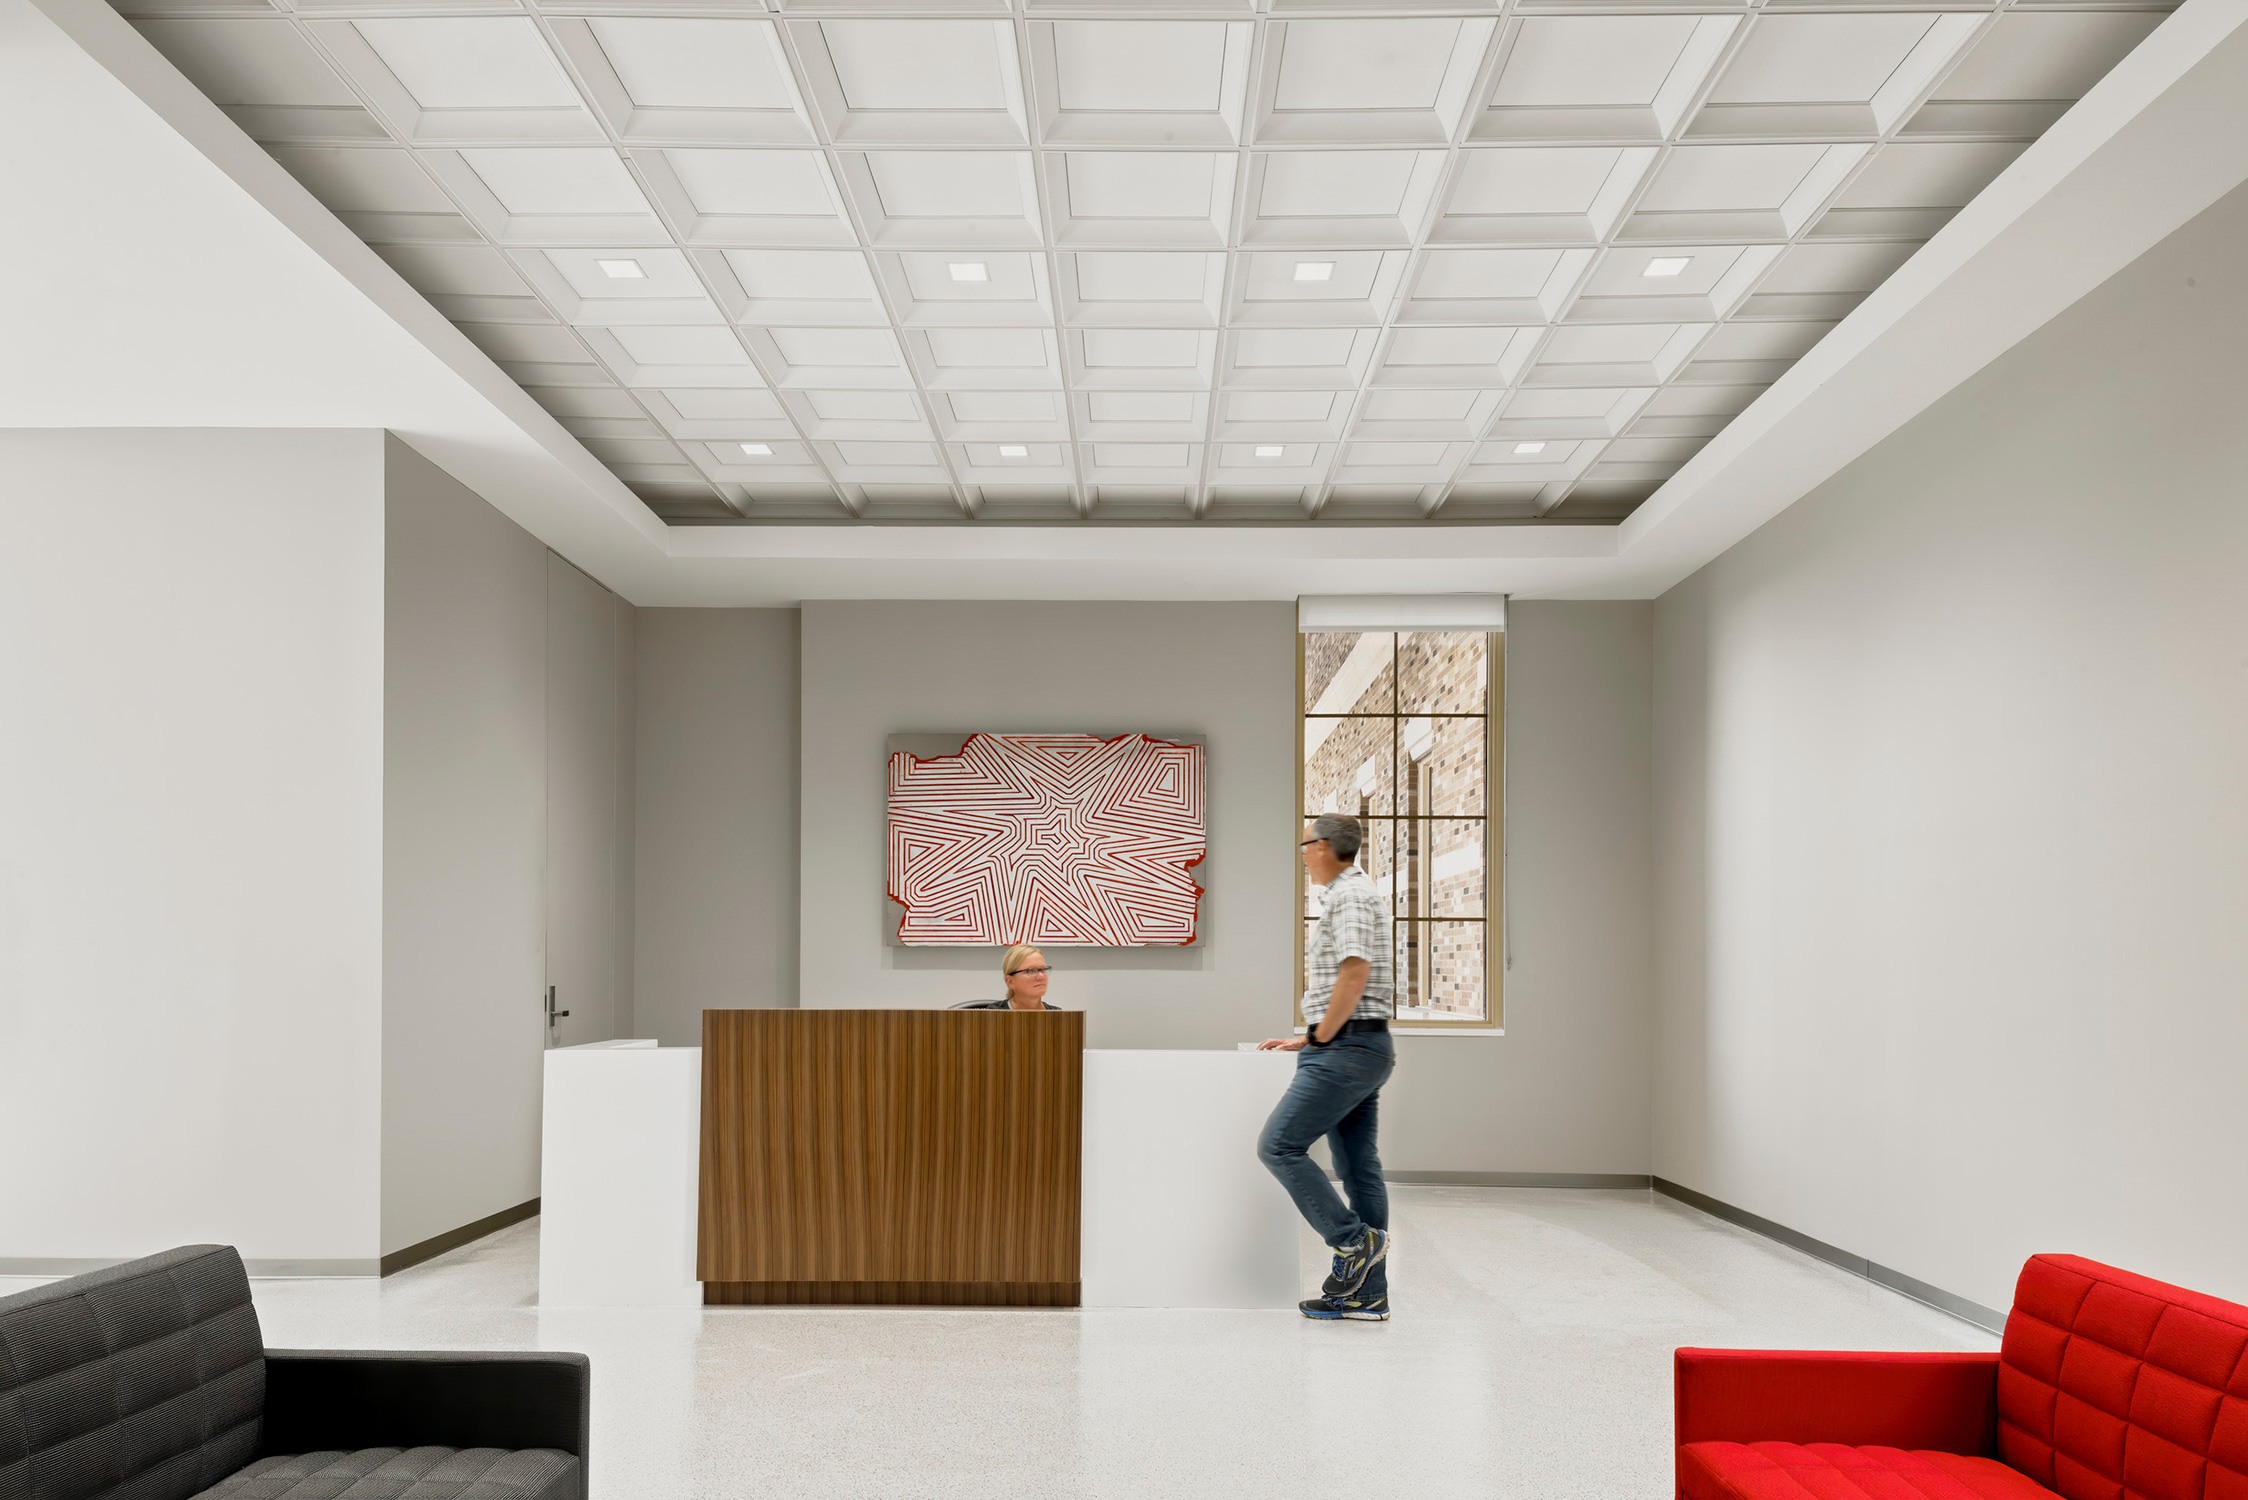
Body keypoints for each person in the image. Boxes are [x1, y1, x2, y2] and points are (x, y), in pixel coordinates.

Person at [1257, 813, 1395, 1321]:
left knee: (1278, 1145)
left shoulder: (1350, 896)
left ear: (1325, 846)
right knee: (1358, 1169)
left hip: (1344, 1050)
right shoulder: (1352, 894)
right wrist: (1308, 1035)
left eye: (1305, 845)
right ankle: (1366, 1294)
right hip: (1362, 1046)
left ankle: (1353, 1243)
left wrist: (1319, 1036)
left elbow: (1354, 973)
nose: (1302, 855)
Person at [952, 944, 1059, 1011]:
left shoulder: (1058, 1016)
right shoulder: (993, 1015)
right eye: (1030, 971)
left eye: (1043, 969)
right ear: (1010, 981)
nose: (1041, 976)